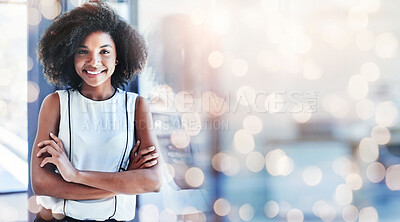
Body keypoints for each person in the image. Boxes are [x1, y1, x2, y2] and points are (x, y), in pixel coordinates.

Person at [30, 1, 162, 221]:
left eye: (104, 51)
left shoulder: (136, 106)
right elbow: (41, 183)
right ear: (70, 56)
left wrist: (74, 175)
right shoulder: (56, 103)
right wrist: (125, 182)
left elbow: (153, 181)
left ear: (118, 56)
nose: (94, 62)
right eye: (83, 51)